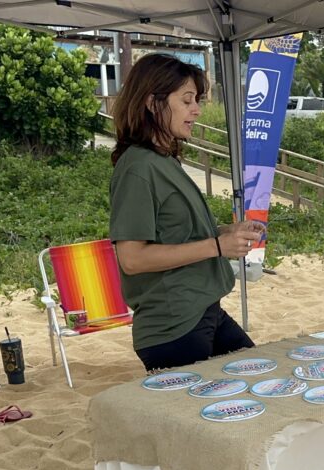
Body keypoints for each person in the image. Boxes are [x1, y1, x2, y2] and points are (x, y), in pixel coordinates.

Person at [109, 54, 264, 372]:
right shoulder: (138, 168)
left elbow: (176, 233)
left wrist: (225, 233)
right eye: (187, 100)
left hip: (202, 310)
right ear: (153, 103)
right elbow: (133, 259)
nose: (196, 110)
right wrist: (217, 247)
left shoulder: (163, 160)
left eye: (197, 100)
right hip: (173, 326)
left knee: (257, 374)